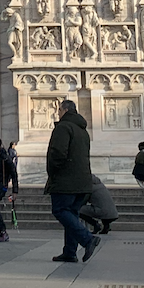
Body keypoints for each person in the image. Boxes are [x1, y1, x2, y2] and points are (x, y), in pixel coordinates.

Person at [46, 99, 100, 264]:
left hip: (66, 181)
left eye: (59, 110)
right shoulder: (82, 130)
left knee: (60, 210)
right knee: (72, 214)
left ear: (65, 110)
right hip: (82, 181)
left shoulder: (63, 127)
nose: (58, 113)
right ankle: (70, 252)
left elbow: (58, 153)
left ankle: (87, 239)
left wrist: (53, 172)